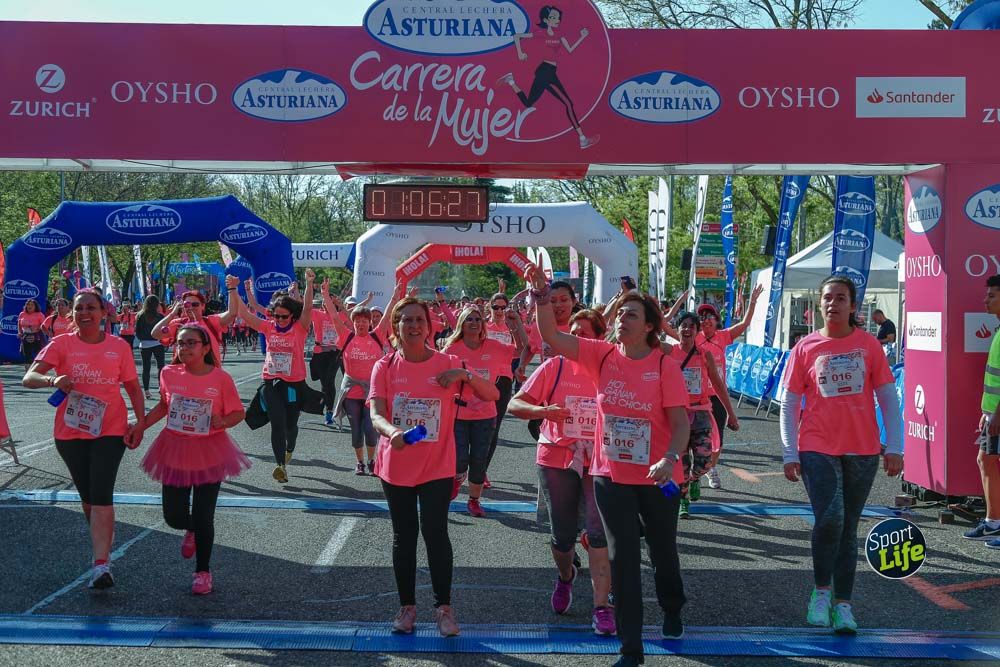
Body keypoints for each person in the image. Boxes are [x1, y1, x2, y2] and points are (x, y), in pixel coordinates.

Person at [526, 264, 691, 665]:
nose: (621, 318)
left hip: (660, 478)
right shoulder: (601, 355)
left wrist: (670, 459)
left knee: (663, 552)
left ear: (651, 326)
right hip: (610, 476)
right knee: (623, 559)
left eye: (631, 314)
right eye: (619, 314)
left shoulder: (663, 365)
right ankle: (630, 648)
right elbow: (550, 335)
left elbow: (681, 425)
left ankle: (672, 605)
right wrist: (542, 297)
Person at [368, 297, 499, 637]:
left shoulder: (449, 362)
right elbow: (376, 413)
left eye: (419, 321)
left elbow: (491, 395)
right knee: (404, 535)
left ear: (429, 327)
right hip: (396, 464)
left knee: (436, 533)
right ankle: (407, 607)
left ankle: (444, 609)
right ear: (396, 327)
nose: (413, 326)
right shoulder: (384, 367)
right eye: (406, 320)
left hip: (437, 465)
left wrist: (465, 374)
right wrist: (392, 431)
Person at [780, 275, 902, 634]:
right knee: (830, 518)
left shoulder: (869, 345)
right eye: (828, 298)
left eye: (841, 298)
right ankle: (820, 591)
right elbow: (789, 403)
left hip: (862, 449)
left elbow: (888, 398)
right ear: (819, 304)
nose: (833, 303)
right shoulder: (806, 347)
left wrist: (894, 446)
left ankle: (843, 605)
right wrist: (790, 451)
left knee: (848, 528)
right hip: (816, 445)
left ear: (853, 305)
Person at [22, 289, 145, 589]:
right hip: (70, 432)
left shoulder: (119, 347)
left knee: (101, 493)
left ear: (104, 313)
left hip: (111, 429)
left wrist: (140, 423)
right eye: (79, 308)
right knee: (88, 499)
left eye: (91, 307)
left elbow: (132, 387)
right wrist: (53, 379)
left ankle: (101, 565)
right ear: (71, 314)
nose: (85, 313)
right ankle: (101, 539)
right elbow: (29, 377)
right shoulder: (61, 344)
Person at [507, 308, 615, 636]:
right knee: (563, 536)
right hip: (557, 456)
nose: (578, 338)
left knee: (598, 534)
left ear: (599, 338)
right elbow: (515, 404)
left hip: (599, 459)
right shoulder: (554, 366)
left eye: (586, 333)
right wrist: (544, 411)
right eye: (574, 332)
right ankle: (566, 577)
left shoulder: (611, 368)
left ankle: (602, 606)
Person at [140, 323, 249, 595]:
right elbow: (164, 406)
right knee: (173, 516)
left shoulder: (220, 379)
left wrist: (221, 420)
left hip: (210, 450)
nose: (184, 347)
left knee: (204, 516)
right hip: (174, 448)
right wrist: (139, 426)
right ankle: (190, 529)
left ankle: (203, 571)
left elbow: (238, 413)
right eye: (180, 343)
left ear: (205, 348)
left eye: (191, 343)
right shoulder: (168, 373)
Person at [227, 272, 314, 483]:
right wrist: (234, 289)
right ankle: (280, 466)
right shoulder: (267, 327)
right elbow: (244, 313)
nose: (280, 320)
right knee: (277, 423)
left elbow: (308, 308)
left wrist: (310, 284)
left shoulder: (299, 328)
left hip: (294, 384)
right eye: (276, 316)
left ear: (292, 316)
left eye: (284, 316)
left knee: (290, 426)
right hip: (271, 382)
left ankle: (289, 448)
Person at [442, 305, 510, 515]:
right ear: (462, 324)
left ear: (483, 324)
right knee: (460, 458)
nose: (473, 323)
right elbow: (439, 375)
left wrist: (515, 325)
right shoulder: (452, 349)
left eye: (477, 319)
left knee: (479, 460)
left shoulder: (495, 346)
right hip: (458, 413)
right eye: (469, 319)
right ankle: (457, 476)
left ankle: (474, 500)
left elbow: (525, 348)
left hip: (486, 413)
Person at [669, 312, 739, 518]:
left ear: (697, 331)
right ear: (678, 329)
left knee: (704, 461)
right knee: (679, 464)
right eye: (683, 325)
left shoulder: (704, 355)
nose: (687, 329)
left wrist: (731, 414)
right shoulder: (668, 352)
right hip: (677, 415)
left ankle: (695, 479)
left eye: (692, 326)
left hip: (700, 412)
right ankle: (683, 499)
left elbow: (718, 384)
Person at [695, 283, 764, 489]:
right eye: (702, 317)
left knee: (719, 440)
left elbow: (746, 323)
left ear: (716, 321)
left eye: (709, 317)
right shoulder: (692, 337)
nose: (705, 320)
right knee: (697, 437)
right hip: (697, 397)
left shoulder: (723, 336)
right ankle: (695, 473)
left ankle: (711, 467)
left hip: (717, 395)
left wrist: (751, 302)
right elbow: (668, 329)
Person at [500, 6, 598, 150]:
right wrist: (520, 53)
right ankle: (582, 139)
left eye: (557, 17)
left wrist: (582, 37)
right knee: (568, 103)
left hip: (550, 72)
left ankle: (511, 81)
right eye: (553, 17)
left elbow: (570, 49)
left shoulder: (560, 34)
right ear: (546, 20)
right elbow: (517, 36)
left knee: (528, 103)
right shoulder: (542, 33)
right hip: (545, 72)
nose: (556, 19)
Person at [324, 285, 399, 475]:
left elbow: (388, 313)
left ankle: (373, 461)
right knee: (356, 429)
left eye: (364, 321)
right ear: (353, 322)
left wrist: (395, 294)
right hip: (351, 391)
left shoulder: (377, 336)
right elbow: (334, 316)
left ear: (369, 323)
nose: (361, 324)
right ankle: (360, 462)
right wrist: (325, 294)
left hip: (371, 392)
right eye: (357, 321)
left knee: (370, 428)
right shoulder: (346, 336)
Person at [964, 274, 1000, 547]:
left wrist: (997, 413)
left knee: (986, 461)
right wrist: (988, 411)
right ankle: (993, 522)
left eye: (991, 295)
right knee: (984, 460)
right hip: (992, 413)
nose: (985, 300)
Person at [153, 290, 237, 365]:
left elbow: (232, 313)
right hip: (183, 377)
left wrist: (232, 289)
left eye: (195, 304)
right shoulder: (178, 324)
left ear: (203, 306)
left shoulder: (211, 321)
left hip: (210, 377)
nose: (191, 307)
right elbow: (155, 334)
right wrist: (172, 314)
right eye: (187, 305)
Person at [309, 295, 342, 426]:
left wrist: (342, 306)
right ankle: (320, 403)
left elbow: (352, 317)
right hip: (319, 352)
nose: (325, 304)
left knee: (329, 380)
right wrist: (294, 292)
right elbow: (303, 306)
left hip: (335, 353)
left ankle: (329, 411)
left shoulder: (339, 316)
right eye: (324, 302)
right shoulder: (317, 314)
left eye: (329, 302)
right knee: (322, 382)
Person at [136, 295, 167, 400]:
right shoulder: (160, 317)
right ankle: (160, 387)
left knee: (146, 367)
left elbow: (137, 331)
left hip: (144, 344)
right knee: (161, 366)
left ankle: (146, 390)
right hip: (158, 343)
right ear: (157, 304)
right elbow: (164, 331)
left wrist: (143, 339)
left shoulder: (140, 316)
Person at [18, 298, 46, 369]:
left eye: (32, 305)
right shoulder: (22, 314)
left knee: (38, 354)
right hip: (25, 335)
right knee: (26, 355)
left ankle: (37, 371)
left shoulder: (39, 314)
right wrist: (20, 332)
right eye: (28, 304)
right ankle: (27, 373)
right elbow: (19, 323)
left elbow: (43, 325)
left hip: (37, 336)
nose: (29, 306)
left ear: (35, 306)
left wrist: (38, 328)